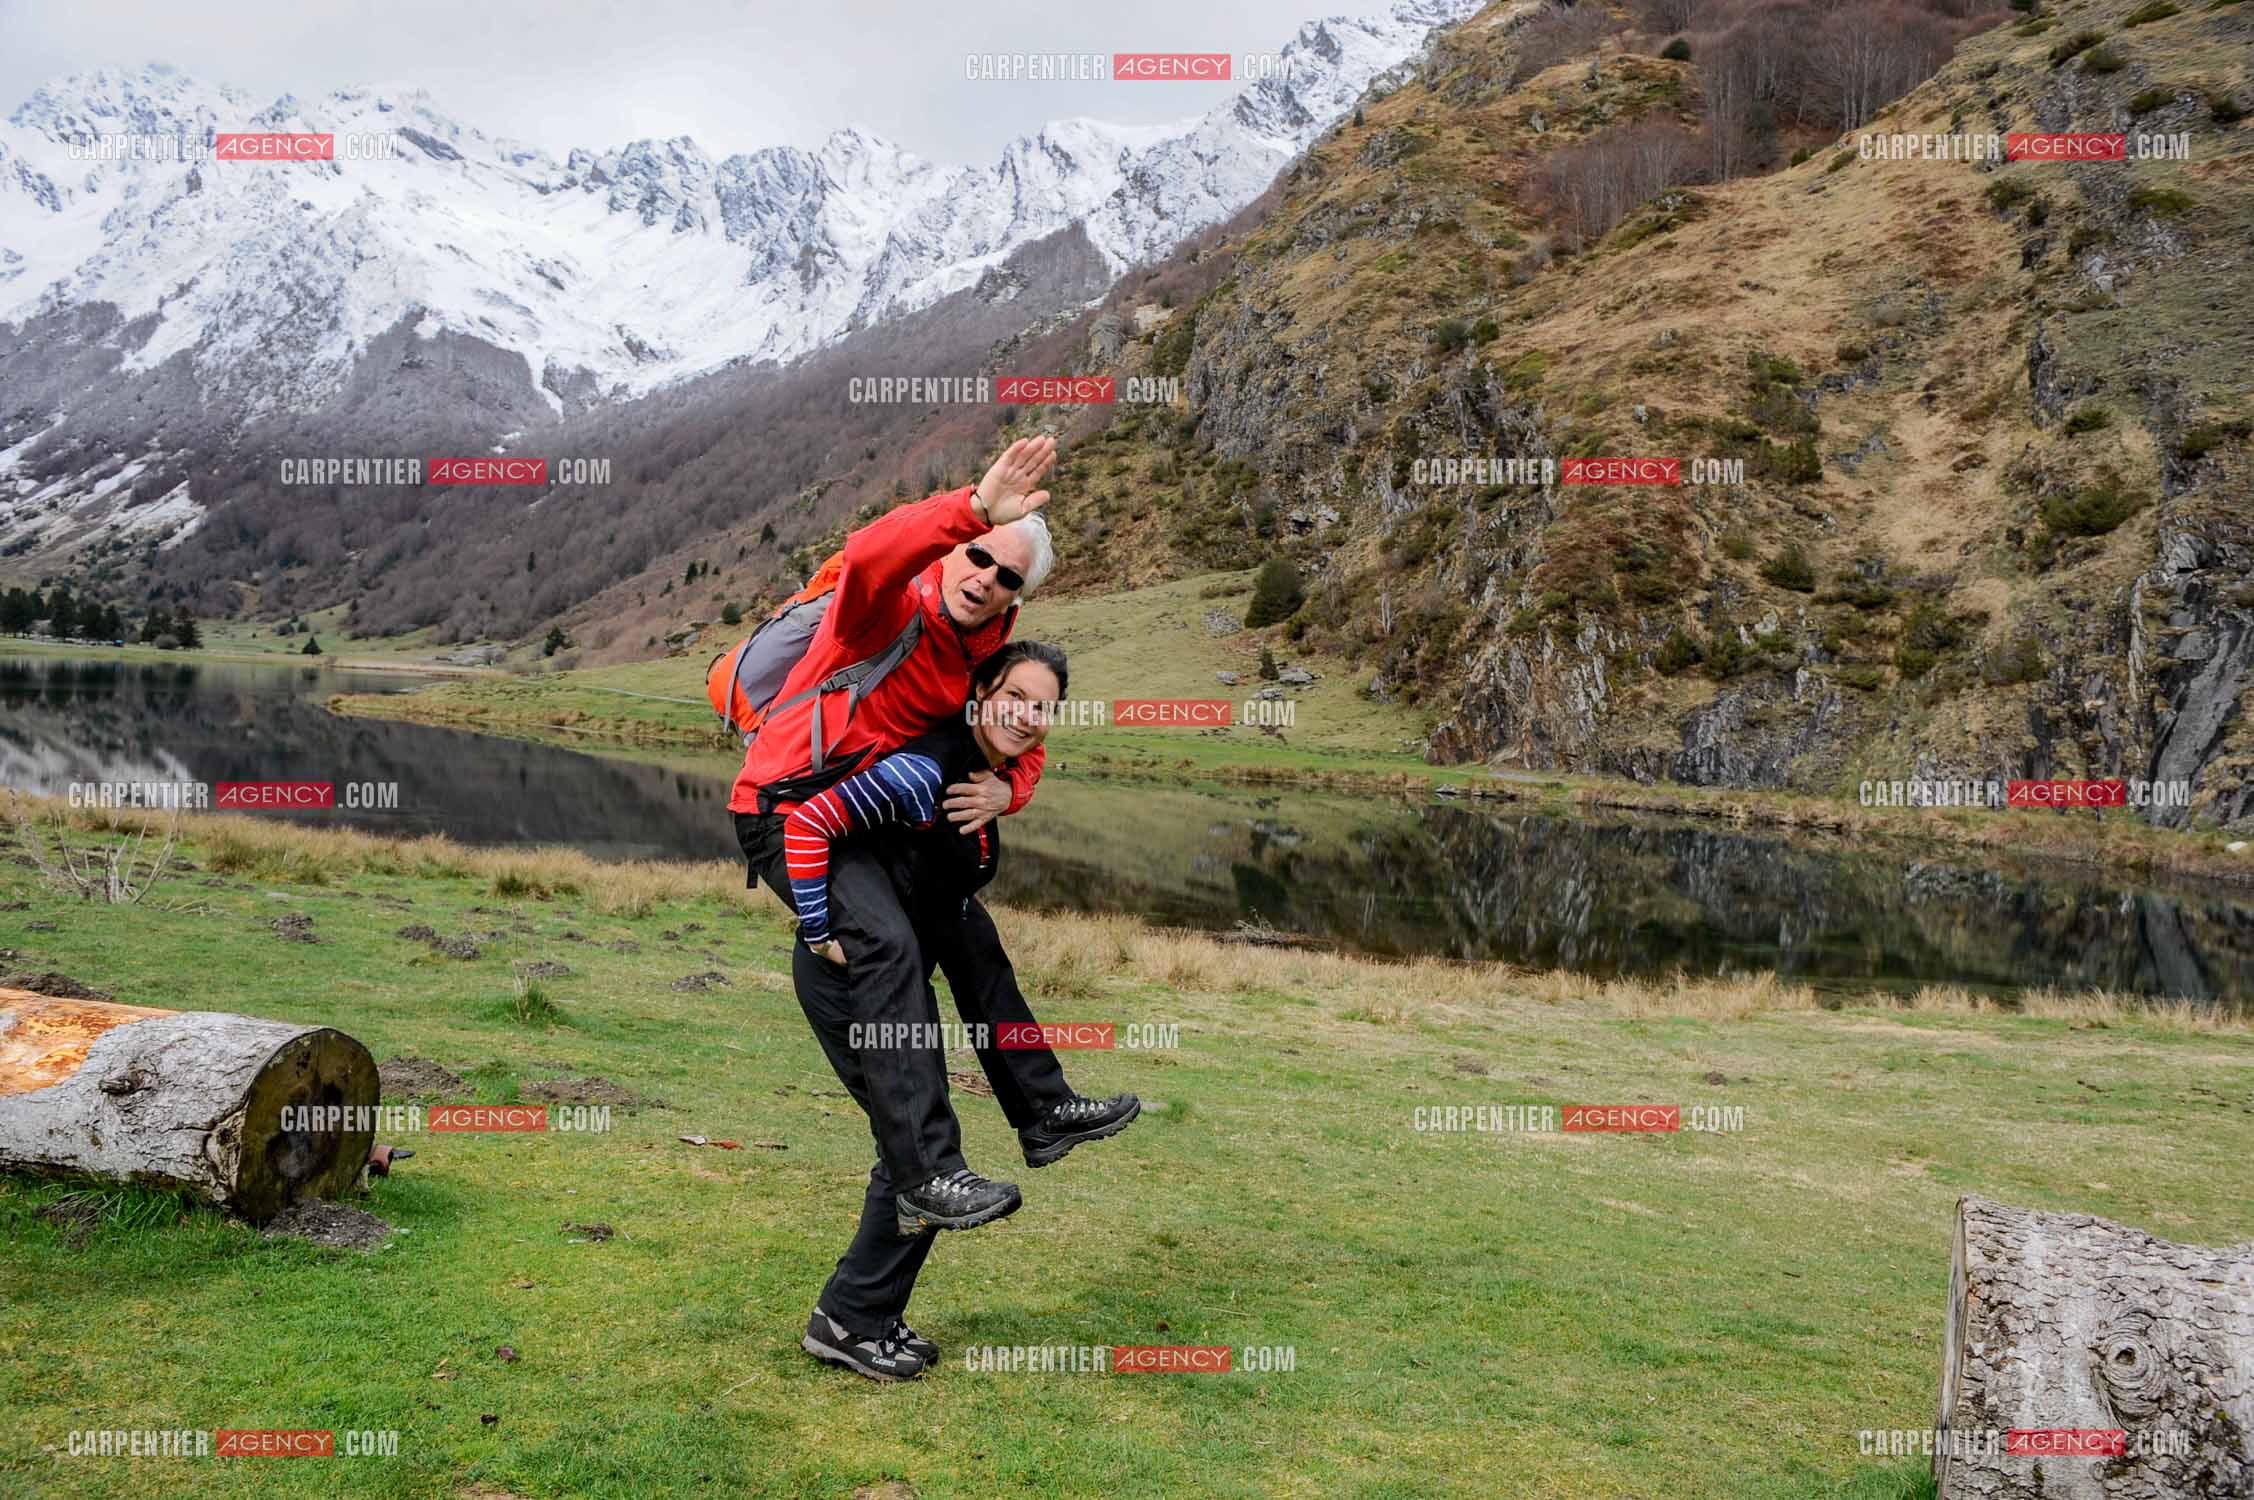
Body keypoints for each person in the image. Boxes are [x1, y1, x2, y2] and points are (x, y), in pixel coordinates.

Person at [731, 439, 1137, 1382]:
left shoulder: (978, 665)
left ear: (1013, 606)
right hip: (789, 814)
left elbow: (1009, 722)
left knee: (965, 936)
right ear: (954, 554)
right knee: (910, 1136)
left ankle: (1030, 1123)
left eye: (1004, 576)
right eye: (978, 559)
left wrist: (1013, 792)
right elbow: (872, 556)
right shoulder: (888, 613)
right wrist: (971, 506)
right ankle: (866, 1290)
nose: (986, 578)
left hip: (854, 863)